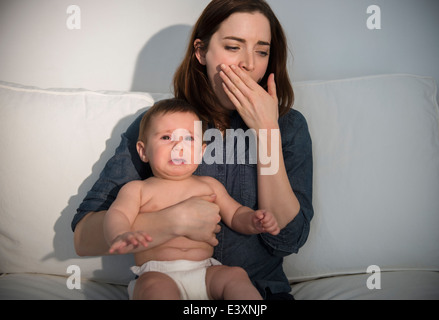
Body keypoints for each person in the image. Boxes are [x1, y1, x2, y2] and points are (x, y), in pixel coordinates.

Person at [72, 0, 313, 300]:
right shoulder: (164, 126)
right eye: (233, 47)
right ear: (201, 52)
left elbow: (287, 240)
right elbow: (83, 238)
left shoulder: (288, 127)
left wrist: (267, 132)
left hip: (259, 292)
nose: (249, 64)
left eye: (262, 51)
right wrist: (172, 221)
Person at [104, 98, 280, 299]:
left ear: (202, 151)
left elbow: (235, 214)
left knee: (235, 275)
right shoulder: (138, 189)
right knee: (155, 288)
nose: (179, 147)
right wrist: (120, 234)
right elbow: (117, 213)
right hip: (157, 273)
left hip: (205, 271)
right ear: (143, 151)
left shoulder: (208, 185)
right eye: (166, 137)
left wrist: (253, 219)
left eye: (189, 139)